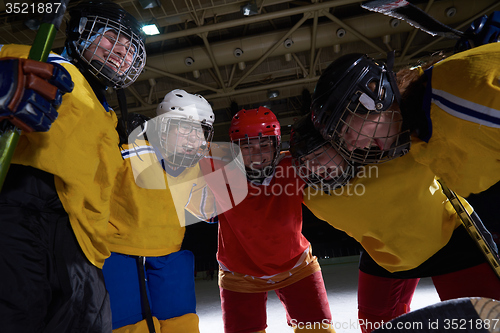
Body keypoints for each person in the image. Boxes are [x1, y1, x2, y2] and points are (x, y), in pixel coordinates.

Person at [0, 1, 146, 332]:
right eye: (113, 39)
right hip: (24, 211)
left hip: (84, 247)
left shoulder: (109, 119)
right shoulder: (41, 60)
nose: (122, 53)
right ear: (82, 32)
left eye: (129, 49)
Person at [289, 113, 500, 333]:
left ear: (342, 145)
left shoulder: (399, 156)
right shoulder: (312, 196)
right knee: (374, 322)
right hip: (387, 256)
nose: (312, 166)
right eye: (304, 161)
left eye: (318, 154)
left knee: (484, 318)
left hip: (451, 241)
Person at [198, 106, 335, 333]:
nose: (257, 154)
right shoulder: (218, 172)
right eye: (247, 146)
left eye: (264, 144)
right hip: (239, 274)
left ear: (277, 145)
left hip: (297, 266)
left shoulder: (294, 165)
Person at [102, 89, 217, 333]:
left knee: (182, 325)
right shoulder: (131, 151)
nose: (194, 138)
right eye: (185, 128)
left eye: (201, 131)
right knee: (129, 327)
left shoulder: (197, 169)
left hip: (170, 257)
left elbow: (207, 209)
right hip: (120, 255)